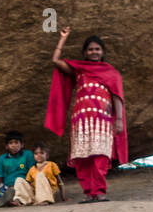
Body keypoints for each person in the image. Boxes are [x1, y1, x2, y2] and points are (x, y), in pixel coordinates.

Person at [45, 28, 128, 202]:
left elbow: (117, 96)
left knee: (100, 156)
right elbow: (55, 61)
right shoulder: (79, 69)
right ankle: (89, 193)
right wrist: (62, 38)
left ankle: (99, 191)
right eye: (90, 49)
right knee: (82, 157)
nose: (94, 52)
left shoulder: (111, 72)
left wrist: (119, 119)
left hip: (103, 121)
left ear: (102, 52)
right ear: (84, 52)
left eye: (97, 49)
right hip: (81, 120)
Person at [0, 132, 34, 206]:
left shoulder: (28, 154)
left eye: (16, 142)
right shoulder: (2, 158)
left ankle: (14, 200)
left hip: (22, 184)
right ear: (6, 146)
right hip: (8, 186)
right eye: (11, 143)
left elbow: (32, 172)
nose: (14, 145)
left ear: (22, 145)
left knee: (18, 185)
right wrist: (0, 188)